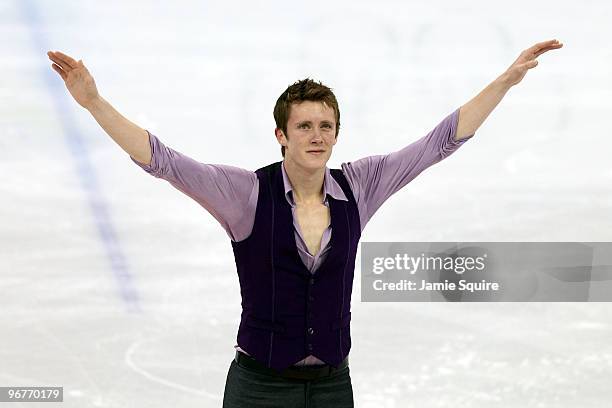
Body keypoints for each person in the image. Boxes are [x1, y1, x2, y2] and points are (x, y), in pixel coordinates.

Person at [47, 38, 563, 407]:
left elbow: (439, 142)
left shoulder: (359, 185)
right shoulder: (246, 193)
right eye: (304, 126)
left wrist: (504, 82)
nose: (317, 136)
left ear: (337, 133)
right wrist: (92, 102)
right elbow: (163, 160)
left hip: (334, 387)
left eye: (326, 126)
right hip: (260, 387)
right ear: (281, 134)